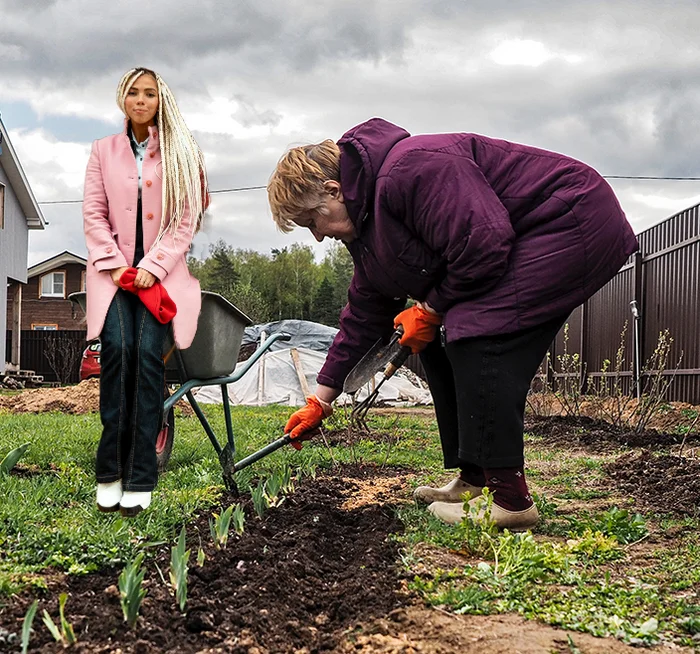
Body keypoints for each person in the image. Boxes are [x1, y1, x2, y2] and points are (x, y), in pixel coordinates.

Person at [267, 117, 638, 530]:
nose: (317, 237)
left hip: (569, 219)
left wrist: (429, 307)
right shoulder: (368, 233)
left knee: (478, 330)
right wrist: (321, 399)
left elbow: (484, 244)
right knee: (438, 338)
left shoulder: (411, 169)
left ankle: (511, 502)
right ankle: (473, 478)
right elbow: (362, 316)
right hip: (530, 234)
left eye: (311, 222)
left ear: (334, 192)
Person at [83, 67, 207, 516]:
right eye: (133, 92)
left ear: (160, 100)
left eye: (149, 93)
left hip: (161, 279)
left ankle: (140, 478)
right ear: (123, 98)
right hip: (114, 278)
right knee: (118, 351)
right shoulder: (103, 152)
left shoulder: (178, 154)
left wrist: (153, 266)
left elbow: (184, 219)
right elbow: (94, 215)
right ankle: (109, 472)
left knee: (147, 360)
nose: (140, 100)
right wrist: (116, 267)